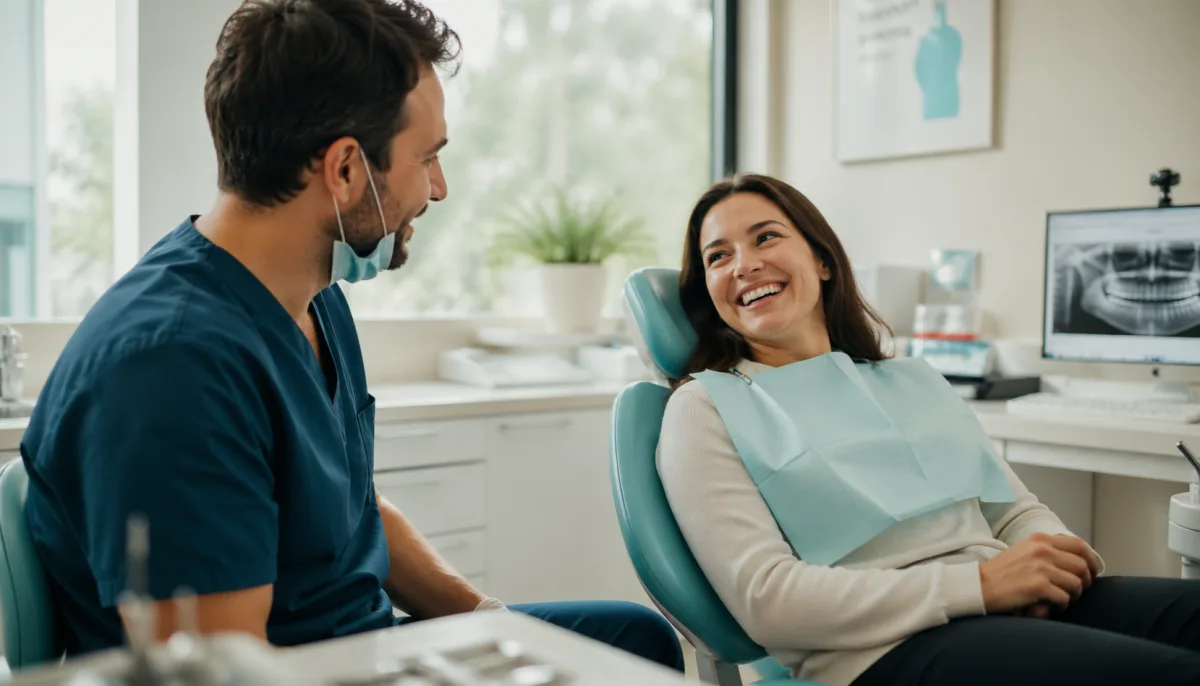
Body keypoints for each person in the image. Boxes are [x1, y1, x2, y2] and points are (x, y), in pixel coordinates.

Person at [20, 0, 681, 672]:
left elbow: (354, 513)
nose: (440, 188)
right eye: (427, 158)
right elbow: (220, 671)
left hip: (368, 645)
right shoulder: (171, 368)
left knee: (632, 642)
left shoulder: (315, 298)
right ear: (343, 169)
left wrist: (493, 627)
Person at [657, 172, 1200, 686]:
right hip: (886, 650)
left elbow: (1012, 511)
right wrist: (982, 585)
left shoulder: (909, 379)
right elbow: (767, 601)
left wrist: (1051, 565)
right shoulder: (706, 407)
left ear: (822, 260)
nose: (744, 265)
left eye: (765, 238)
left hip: (1004, 606)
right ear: (709, 292)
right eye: (718, 256)